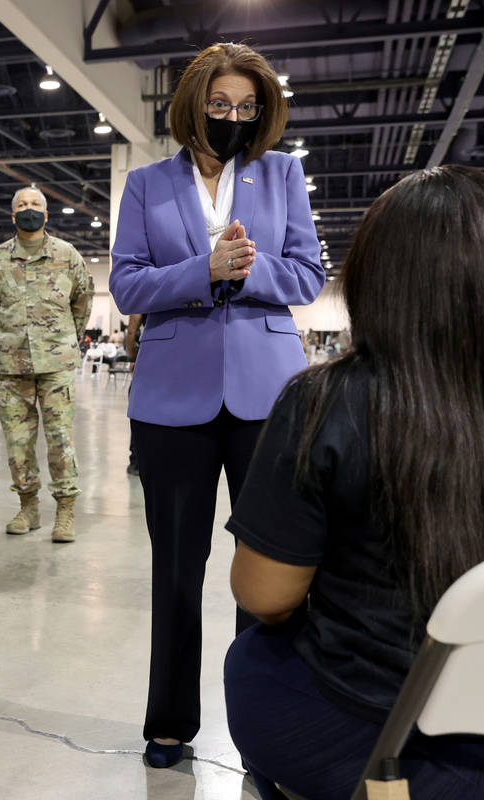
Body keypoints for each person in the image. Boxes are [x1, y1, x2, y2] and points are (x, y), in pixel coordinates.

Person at [223, 165, 484, 799]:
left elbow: (265, 595)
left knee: (252, 659)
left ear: (377, 280)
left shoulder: (325, 403)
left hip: (393, 751)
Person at [109, 42, 324, 768]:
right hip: (173, 401)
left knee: (268, 570)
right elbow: (128, 287)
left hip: (268, 396)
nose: (234, 116)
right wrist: (201, 270)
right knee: (176, 566)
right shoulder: (145, 184)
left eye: (247, 107)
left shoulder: (282, 174)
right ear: (193, 103)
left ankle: (264, 730)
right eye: (221, 104)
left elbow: (306, 275)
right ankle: (168, 721)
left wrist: (249, 266)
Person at [0, 187, 93, 543]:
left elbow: (82, 302)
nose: (29, 209)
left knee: (60, 438)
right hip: (12, 365)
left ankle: (65, 509)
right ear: (12, 216)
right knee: (18, 442)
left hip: (57, 364)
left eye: (35, 204)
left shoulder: (67, 256)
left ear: (47, 213)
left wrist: (64, 338)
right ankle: (28, 507)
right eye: (22, 205)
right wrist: (5, 339)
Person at [124, 313, 145, 476]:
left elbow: (131, 333)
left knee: (141, 415)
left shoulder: (150, 293)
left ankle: (136, 462)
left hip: (148, 361)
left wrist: (132, 357)